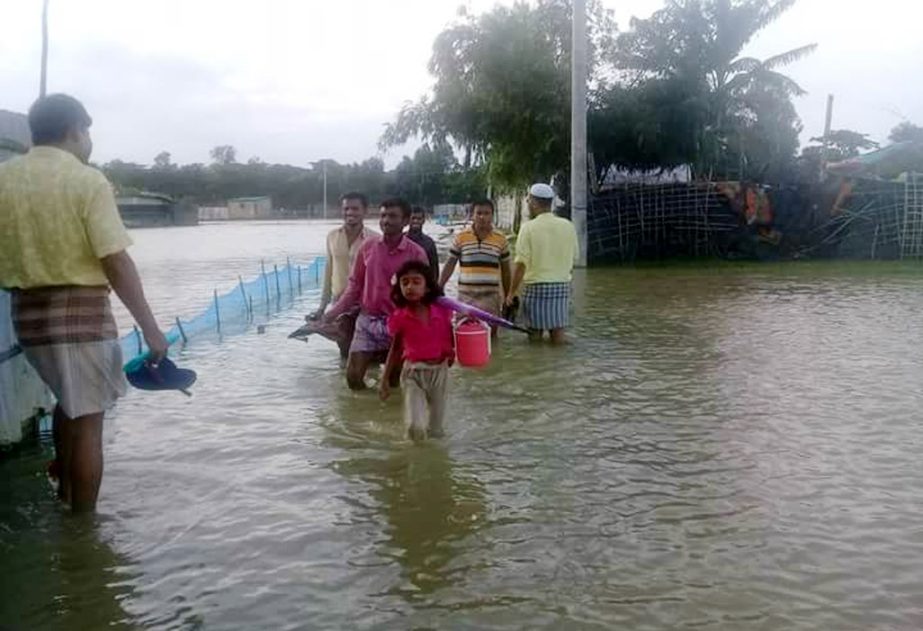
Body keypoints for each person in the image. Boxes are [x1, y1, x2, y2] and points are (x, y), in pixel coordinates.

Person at [0, 94, 169, 513]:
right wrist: (150, 327)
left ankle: (64, 493)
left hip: (28, 319)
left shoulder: (5, 178)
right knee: (90, 420)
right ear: (75, 129)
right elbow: (115, 259)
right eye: (87, 130)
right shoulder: (85, 179)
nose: (89, 139)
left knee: (68, 402)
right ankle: (83, 531)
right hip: (82, 317)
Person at [323, 198, 427, 390]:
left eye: (393, 216)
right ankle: (363, 416)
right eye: (383, 215)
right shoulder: (368, 247)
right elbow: (354, 288)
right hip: (367, 321)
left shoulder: (416, 253)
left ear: (405, 221)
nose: (386, 220)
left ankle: (387, 418)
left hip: (400, 324)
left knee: (393, 383)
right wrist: (330, 314)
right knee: (353, 378)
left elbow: (426, 294)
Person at [380, 261, 454, 441]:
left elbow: (452, 335)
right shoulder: (400, 316)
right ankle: (413, 460)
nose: (410, 286)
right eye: (404, 282)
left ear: (427, 287)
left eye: (416, 282)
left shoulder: (442, 311)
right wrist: (384, 380)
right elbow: (396, 349)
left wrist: (454, 352)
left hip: (439, 372)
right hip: (413, 373)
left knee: (436, 430)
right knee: (416, 427)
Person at [505, 183, 579, 344]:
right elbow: (575, 258)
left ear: (533, 203)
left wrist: (511, 292)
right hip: (562, 287)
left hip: (536, 288)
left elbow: (520, 264)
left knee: (534, 337)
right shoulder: (568, 226)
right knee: (558, 335)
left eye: (528, 201)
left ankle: (539, 367)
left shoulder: (528, 228)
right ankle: (559, 367)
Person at [310, 192, 378, 359]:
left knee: (365, 351)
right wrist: (322, 307)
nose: (350, 213)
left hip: (364, 305)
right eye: (346, 208)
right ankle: (343, 379)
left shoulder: (375, 239)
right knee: (344, 350)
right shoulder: (332, 236)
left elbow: (379, 277)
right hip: (339, 302)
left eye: (355, 208)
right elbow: (328, 271)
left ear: (365, 211)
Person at [438, 198, 511, 337]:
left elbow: (506, 271)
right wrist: (439, 286)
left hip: (491, 298)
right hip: (466, 298)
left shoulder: (501, 239)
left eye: (487, 213)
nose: (482, 217)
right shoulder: (461, 237)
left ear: (492, 215)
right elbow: (450, 264)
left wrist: (508, 296)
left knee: (491, 337)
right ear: (472, 215)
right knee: (464, 334)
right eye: (479, 213)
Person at [407, 205, 439, 277]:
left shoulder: (429, 243)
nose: (416, 221)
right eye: (413, 218)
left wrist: (434, 287)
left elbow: (434, 268)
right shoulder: (401, 240)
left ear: (423, 220)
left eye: (419, 219)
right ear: (408, 220)